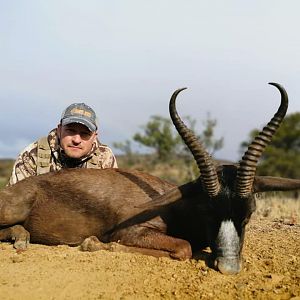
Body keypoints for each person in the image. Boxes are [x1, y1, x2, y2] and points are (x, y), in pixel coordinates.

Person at [8, 102, 118, 186]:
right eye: (70, 131)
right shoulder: (32, 154)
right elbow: (14, 203)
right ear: (59, 129)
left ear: (94, 136)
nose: (76, 140)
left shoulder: (104, 157)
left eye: (84, 134)